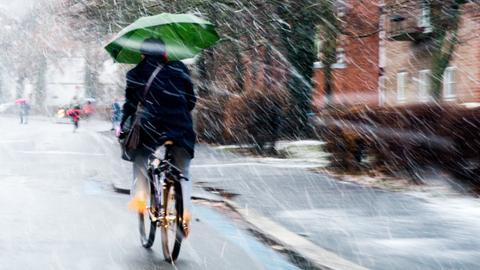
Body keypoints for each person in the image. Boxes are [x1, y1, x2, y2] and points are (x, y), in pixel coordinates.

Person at [119, 38, 196, 236]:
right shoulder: (179, 68)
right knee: (182, 170)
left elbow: (130, 105)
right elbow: (191, 100)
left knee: (141, 157)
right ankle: (184, 213)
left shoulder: (135, 74)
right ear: (165, 53)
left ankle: (141, 195)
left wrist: (123, 125)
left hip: (149, 126)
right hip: (180, 125)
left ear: (142, 54)